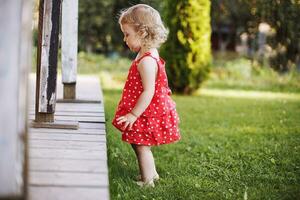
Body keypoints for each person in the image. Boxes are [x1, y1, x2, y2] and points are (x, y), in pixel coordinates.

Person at [112, 4, 181, 187]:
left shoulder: (147, 61)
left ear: (142, 33)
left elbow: (149, 91)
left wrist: (134, 114)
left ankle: (148, 180)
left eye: (127, 34)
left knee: (141, 145)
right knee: (138, 143)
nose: (124, 39)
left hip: (146, 111)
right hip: (145, 109)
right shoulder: (146, 53)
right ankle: (152, 174)